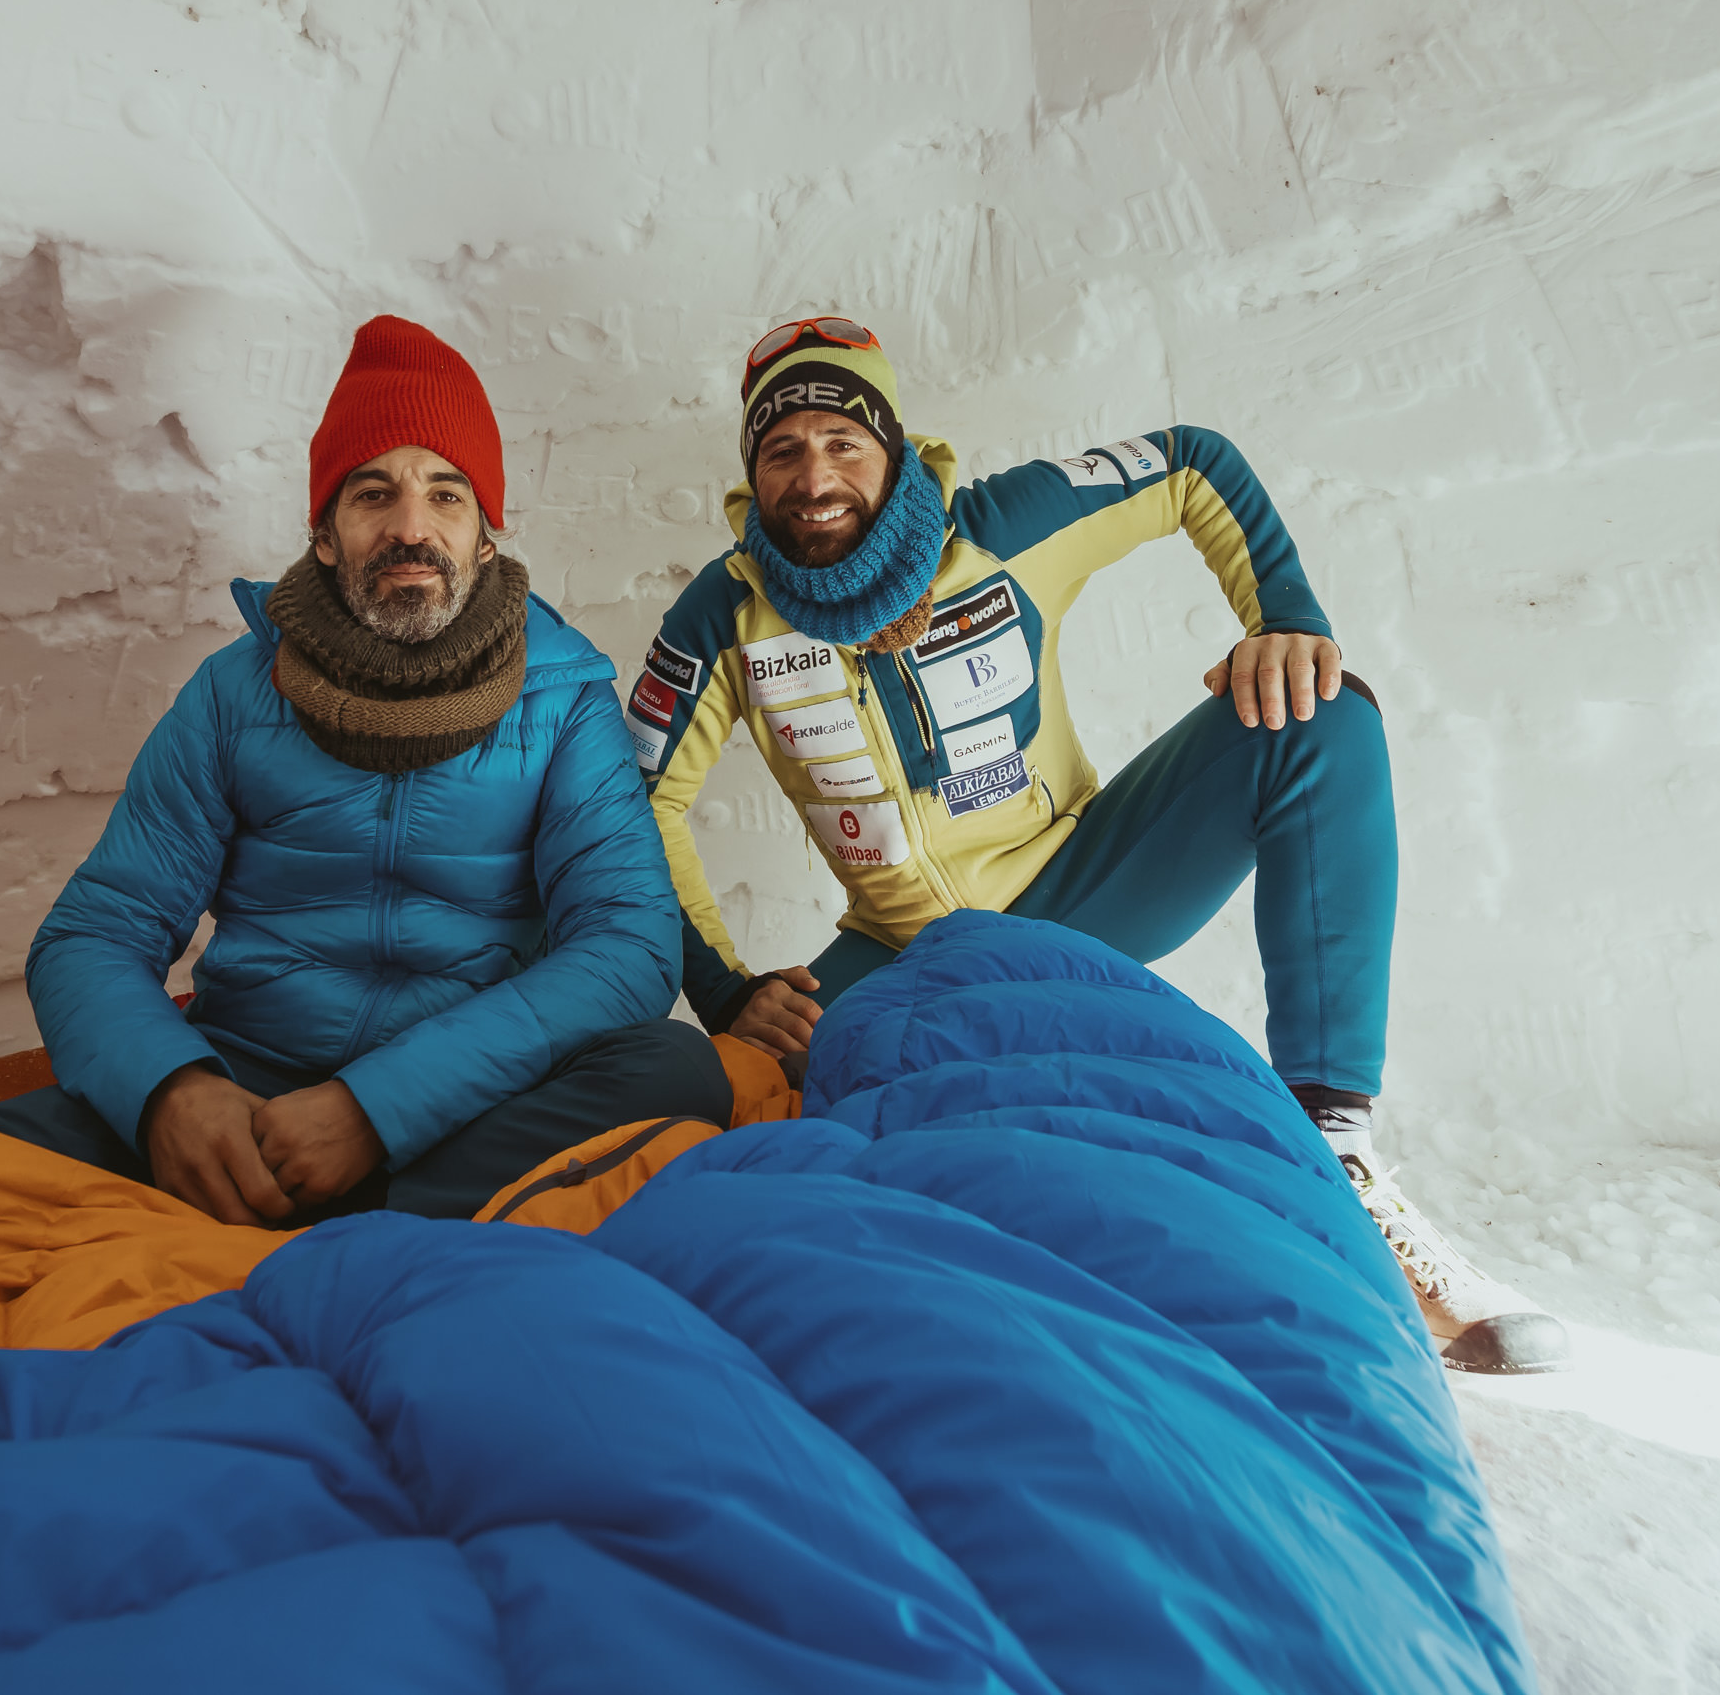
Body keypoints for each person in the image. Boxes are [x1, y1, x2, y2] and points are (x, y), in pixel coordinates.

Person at [628, 316, 1565, 1374]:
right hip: (903, 961)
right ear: (753, 476)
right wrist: (723, 987)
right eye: (782, 449)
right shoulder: (723, 615)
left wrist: (1284, 616)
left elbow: (1189, 462)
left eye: (844, 442)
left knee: (1322, 712)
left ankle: (1334, 1153)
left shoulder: (1003, 527)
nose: (815, 473)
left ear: (893, 451)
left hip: (1087, 888)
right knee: (732, 1115)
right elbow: (639, 804)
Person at [0, 315, 725, 1224]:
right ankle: (345, 1210)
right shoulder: (230, 695)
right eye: (374, 495)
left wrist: (375, 1111)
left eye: (447, 495)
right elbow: (95, 932)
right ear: (325, 533)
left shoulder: (563, 699)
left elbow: (629, 944)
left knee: (674, 1069)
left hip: (468, 1096)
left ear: (488, 535)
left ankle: (326, 1220)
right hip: (255, 1087)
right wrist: (171, 1092)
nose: (413, 528)